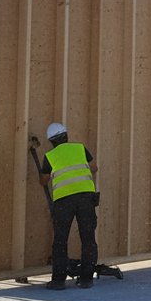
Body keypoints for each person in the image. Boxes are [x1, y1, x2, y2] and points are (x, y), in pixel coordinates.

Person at [39, 122, 98, 289]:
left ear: (51, 141)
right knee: (88, 239)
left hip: (64, 201)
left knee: (60, 240)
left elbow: (44, 180)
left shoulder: (50, 156)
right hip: (86, 197)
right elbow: (94, 167)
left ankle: (58, 281)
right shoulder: (80, 148)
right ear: (66, 136)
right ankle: (86, 279)